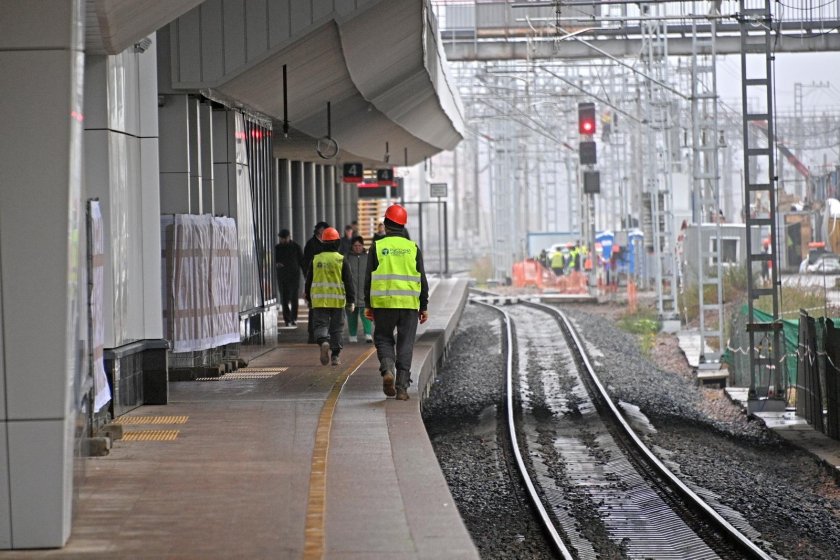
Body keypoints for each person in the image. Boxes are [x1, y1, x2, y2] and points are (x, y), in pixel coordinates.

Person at [364, 204, 429, 401]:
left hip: (384, 304)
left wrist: (368, 305)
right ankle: (401, 388)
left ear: (386, 224)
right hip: (409, 304)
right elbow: (422, 279)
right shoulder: (413, 248)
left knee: (383, 338)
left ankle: (387, 369)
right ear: (403, 226)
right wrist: (423, 306)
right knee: (406, 343)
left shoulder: (377, 247)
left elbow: (368, 279)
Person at [305, 227, 355, 366]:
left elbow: (309, 281)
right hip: (338, 301)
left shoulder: (316, 259)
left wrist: (309, 297)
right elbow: (349, 282)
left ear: (323, 242)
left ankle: (323, 342)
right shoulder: (341, 260)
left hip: (319, 300)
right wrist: (351, 301)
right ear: (337, 242)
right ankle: (335, 356)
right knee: (337, 328)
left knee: (320, 325)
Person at [302, 221, 329, 343]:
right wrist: (307, 278)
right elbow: (306, 262)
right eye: (321, 229)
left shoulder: (328, 243)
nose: (323, 232)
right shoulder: (311, 244)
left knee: (325, 308)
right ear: (317, 230)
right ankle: (312, 334)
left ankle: (324, 333)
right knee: (313, 308)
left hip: (327, 281)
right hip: (314, 280)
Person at [345, 236, 373, 343]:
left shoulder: (368, 258)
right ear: (352, 246)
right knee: (351, 315)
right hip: (351, 292)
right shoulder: (346, 258)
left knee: (366, 314)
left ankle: (368, 334)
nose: (357, 248)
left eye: (359, 245)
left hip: (364, 291)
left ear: (363, 246)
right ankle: (352, 335)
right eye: (355, 246)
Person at [274, 229, 303, 327]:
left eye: (284, 238)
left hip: (294, 276)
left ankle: (294, 318)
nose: (283, 240)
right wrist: (277, 264)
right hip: (282, 276)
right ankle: (287, 319)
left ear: (289, 237)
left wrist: (305, 274)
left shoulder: (296, 247)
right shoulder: (277, 248)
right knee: (284, 298)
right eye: (281, 238)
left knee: (294, 298)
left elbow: (301, 261)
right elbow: (274, 261)